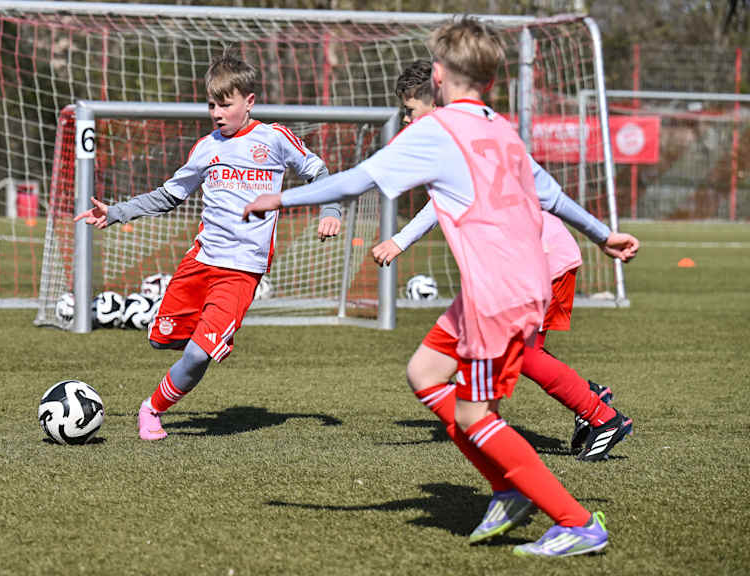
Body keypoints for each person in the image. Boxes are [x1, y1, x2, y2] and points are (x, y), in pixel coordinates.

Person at [243, 18, 639, 558]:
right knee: (425, 373)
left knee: (476, 415)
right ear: (492, 80)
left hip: (496, 292)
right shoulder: (500, 127)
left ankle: (574, 521)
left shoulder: (438, 129)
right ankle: (505, 490)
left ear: (437, 74)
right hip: (514, 283)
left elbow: (358, 179)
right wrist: (601, 235)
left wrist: (280, 199)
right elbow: (549, 192)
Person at [75, 49, 343, 441]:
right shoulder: (205, 148)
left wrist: (330, 209)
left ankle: (151, 409)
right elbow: (169, 195)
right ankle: (212, 335)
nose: (217, 113)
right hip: (200, 261)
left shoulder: (274, 139)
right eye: (211, 105)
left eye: (225, 104)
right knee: (159, 338)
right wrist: (116, 212)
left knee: (198, 354)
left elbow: (318, 171)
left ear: (249, 102)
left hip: (242, 270)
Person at [373, 60, 632, 464]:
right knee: (528, 353)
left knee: (524, 356)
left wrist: (400, 240)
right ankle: (590, 399)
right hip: (541, 257)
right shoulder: (459, 137)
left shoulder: (460, 136)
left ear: (434, 100)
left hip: (540, 258)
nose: (406, 119)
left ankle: (602, 416)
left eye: (409, 110)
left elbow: (537, 193)